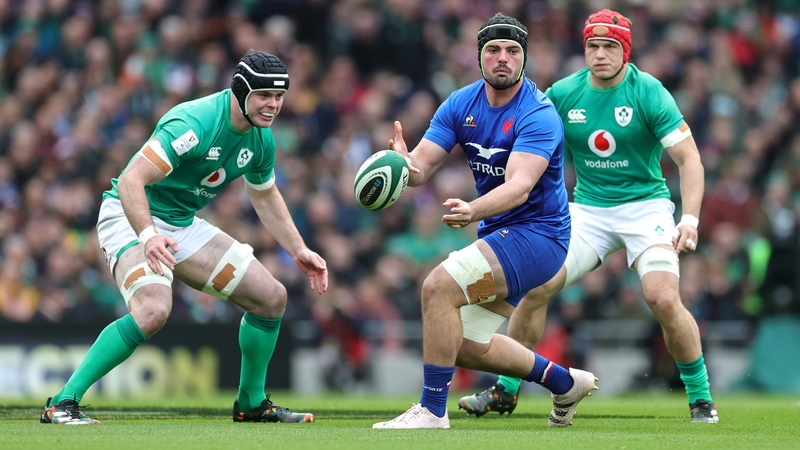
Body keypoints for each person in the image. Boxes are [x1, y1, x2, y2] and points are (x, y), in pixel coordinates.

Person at [40, 51, 328, 425]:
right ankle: (62, 403)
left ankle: (251, 404)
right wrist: (148, 235)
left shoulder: (261, 139)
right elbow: (130, 181)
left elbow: (264, 195)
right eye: (263, 95)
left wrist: (298, 249)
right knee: (153, 309)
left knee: (271, 298)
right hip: (130, 215)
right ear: (240, 91)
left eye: (278, 96)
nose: (273, 105)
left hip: (181, 223)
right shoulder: (194, 123)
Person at [458, 9, 718, 423]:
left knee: (664, 298)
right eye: (592, 46)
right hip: (587, 210)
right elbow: (525, 141)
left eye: (609, 46)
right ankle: (505, 390)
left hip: (645, 208)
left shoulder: (649, 92)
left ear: (625, 51)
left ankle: (701, 398)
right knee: (536, 286)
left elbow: (689, 160)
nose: (599, 54)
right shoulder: (563, 93)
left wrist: (690, 219)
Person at [372, 13, 598, 430]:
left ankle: (432, 410)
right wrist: (404, 164)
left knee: (437, 287)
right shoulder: (460, 103)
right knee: (463, 344)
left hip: (538, 237)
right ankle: (565, 383)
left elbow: (520, 187)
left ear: (524, 57)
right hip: (502, 235)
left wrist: (474, 210)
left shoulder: (538, 113)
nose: (503, 58)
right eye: (493, 50)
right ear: (479, 56)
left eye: (513, 51)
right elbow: (422, 167)